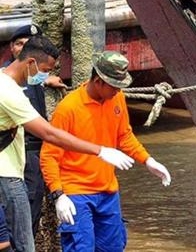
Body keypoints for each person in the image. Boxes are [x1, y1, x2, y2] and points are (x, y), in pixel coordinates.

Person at [0, 36, 134, 252]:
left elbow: (126, 135)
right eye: (45, 70)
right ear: (31, 63)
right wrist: (99, 150)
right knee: (24, 243)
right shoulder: (12, 93)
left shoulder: (9, 84)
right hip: (8, 176)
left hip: (16, 171)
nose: (45, 75)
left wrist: (147, 159)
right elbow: (49, 135)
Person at [40, 51, 171, 252]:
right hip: (76, 192)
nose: (118, 91)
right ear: (98, 80)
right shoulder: (68, 108)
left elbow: (124, 136)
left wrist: (148, 160)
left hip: (108, 191)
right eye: (115, 86)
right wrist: (58, 194)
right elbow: (49, 154)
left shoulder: (116, 100)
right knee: (81, 247)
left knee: (113, 247)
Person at [2, 25, 67, 238]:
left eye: (28, 44)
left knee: (33, 211)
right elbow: (47, 131)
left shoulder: (34, 77)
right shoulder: (8, 82)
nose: (23, 48)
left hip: (37, 155)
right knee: (19, 220)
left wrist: (46, 79)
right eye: (19, 43)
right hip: (19, 154)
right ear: (11, 48)